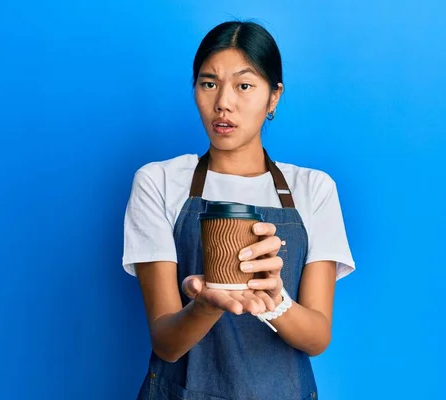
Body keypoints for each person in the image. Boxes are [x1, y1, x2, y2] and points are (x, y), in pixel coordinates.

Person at [122, 20, 355, 400]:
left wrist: (276, 300)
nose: (223, 103)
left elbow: (316, 337)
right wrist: (207, 305)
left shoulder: (313, 189)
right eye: (208, 83)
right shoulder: (159, 182)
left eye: (244, 85)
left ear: (273, 97)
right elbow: (166, 342)